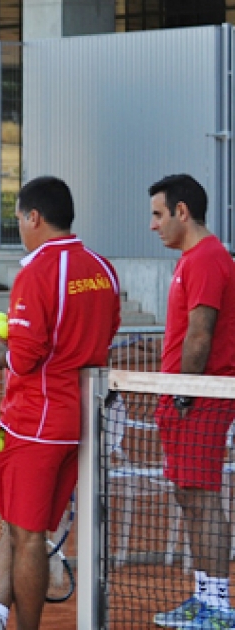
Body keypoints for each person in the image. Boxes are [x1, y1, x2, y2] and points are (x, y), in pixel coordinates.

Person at [0, 176, 120, 630]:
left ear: (33, 217)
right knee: (24, 522)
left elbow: (26, 356)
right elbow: (107, 333)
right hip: (82, 418)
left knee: (27, 533)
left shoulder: (35, 272)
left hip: (34, 422)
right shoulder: (103, 268)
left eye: (18, 218)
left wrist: (0, 344)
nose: (18, 226)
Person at [148, 174, 235, 629]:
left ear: (182, 212)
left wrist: (183, 393)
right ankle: (205, 597)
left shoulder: (206, 259)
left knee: (203, 499)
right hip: (188, 396)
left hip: (199, 397)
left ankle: (219, 606)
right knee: (191, 497)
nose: (153, 224)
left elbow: (200, 336)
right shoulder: (192, 259)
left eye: (158, 214)